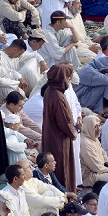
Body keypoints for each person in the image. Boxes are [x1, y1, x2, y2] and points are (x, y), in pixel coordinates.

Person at [42, 62, 77, 192]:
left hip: (51, 133)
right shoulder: (57, 96)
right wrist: (72, 133)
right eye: (68, 77)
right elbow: (64, 121)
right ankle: (65, 192)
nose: (68, 80)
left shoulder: (50, 91)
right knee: (62, 165)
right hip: (59, 137)